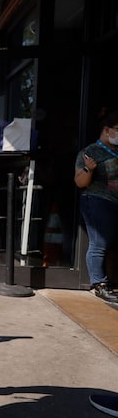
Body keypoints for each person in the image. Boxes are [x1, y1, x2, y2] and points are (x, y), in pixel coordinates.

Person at [74, 108, 118, 302]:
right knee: (98, 243)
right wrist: (88, 169)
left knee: (110, 244)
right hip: (97, 201)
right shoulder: (90, 152)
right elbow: (79, 181)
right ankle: (99, 284)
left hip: (114, 203)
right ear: (107, 129)